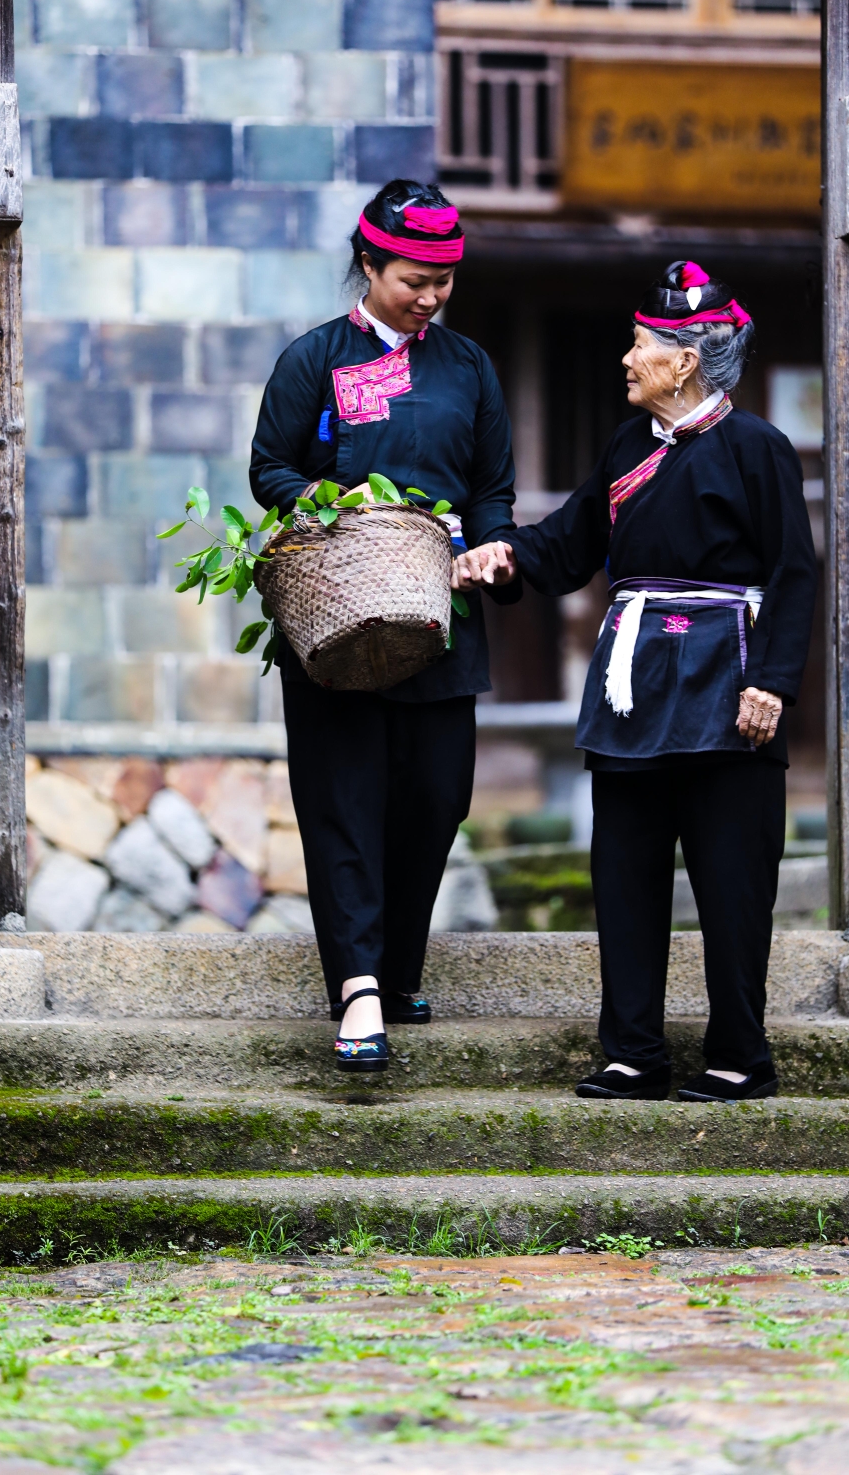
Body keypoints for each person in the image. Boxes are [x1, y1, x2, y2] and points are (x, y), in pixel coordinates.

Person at [454, 260, 817, 1103]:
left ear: (686, 358)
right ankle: (633, 1053)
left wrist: (771, 684)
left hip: (730, 685)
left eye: (642, 342)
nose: (627, 356)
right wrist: (501, 554)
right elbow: (568, 544)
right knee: (623, 870)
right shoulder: (627, 448)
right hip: (632, 684)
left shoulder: (758, 448)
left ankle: (738, 1056)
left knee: (732, 878)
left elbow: (795, 573)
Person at [250, 181, 518, 1074]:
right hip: (338, 617)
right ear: (368, 265)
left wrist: (491, 545)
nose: (432, 295)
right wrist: (339, 506)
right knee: (344, 804)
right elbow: (269, 468)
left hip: (440, 615)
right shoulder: (312, 360)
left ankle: (398, 966)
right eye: (414, 278)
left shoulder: (470, 367)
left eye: (446, 279)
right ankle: (358, 987)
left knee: (438, 797)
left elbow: (491, 488)